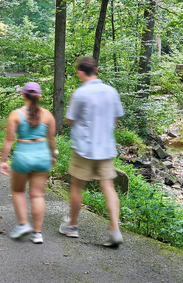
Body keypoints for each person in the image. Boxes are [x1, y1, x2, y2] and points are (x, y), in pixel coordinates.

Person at [59, 56, 125, 247]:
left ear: (81, 72)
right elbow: (116, 119)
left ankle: (71, 225)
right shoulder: (111, 91)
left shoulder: (79, 93)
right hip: (105, 147)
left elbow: (70, 119)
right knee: (108, 187)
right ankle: (114, 230)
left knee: (77, 186)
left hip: (84, 148)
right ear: (95, 69)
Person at [0, 82, 57, 244]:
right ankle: (37, 233)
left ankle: (23, 224)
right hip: (42, 156)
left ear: (23, 95)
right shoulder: (48, 115)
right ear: (39, 96)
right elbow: (51, 139)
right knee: (37, 195)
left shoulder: (16, 115)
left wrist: (3, 160)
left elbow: (9, 139)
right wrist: (52, 157)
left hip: (23, 156)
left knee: (18, 191)